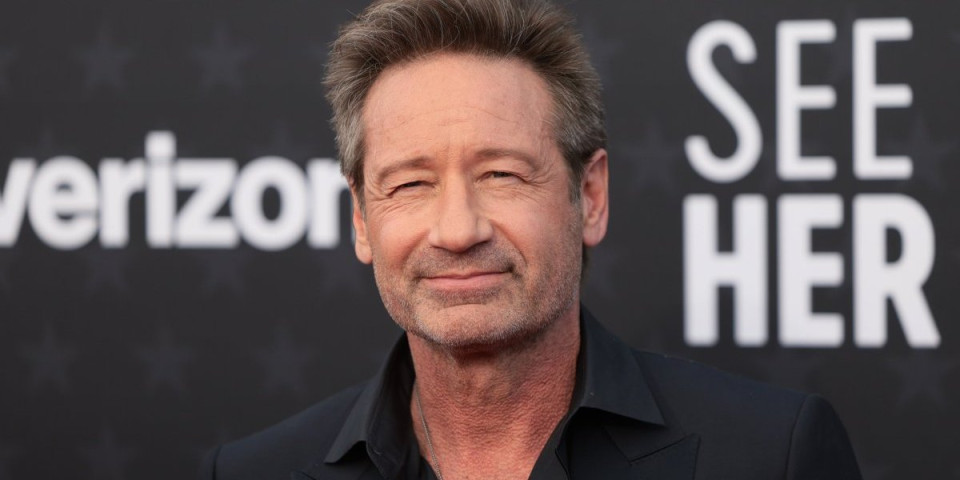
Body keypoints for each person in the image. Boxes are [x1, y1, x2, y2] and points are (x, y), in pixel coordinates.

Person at [200, 0, 863, 478]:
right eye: (410, 184)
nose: (458, 229)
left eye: (502, 174)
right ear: (361, 220)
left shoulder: (770, 453)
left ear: (590, 197)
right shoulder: (252, 471)